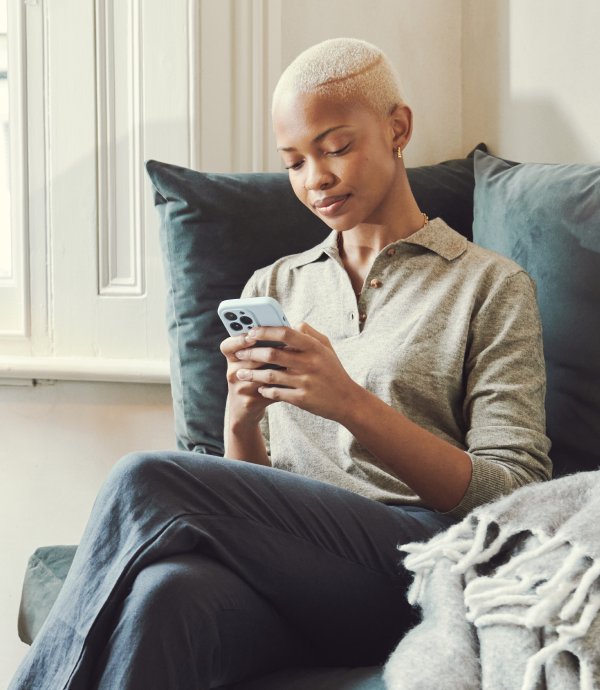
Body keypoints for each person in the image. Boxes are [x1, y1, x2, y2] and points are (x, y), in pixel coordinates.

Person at [9, 38, 552, 690]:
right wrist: (241, 424)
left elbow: (515, 497)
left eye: (336, 147)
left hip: (418, 565)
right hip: (291, 577)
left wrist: (350, 402)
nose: (314, 178)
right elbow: (253, 500)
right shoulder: (277, 286)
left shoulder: (490, 286)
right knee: (165, 597)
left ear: (397, 128)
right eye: (294, 161)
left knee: (147, 479)